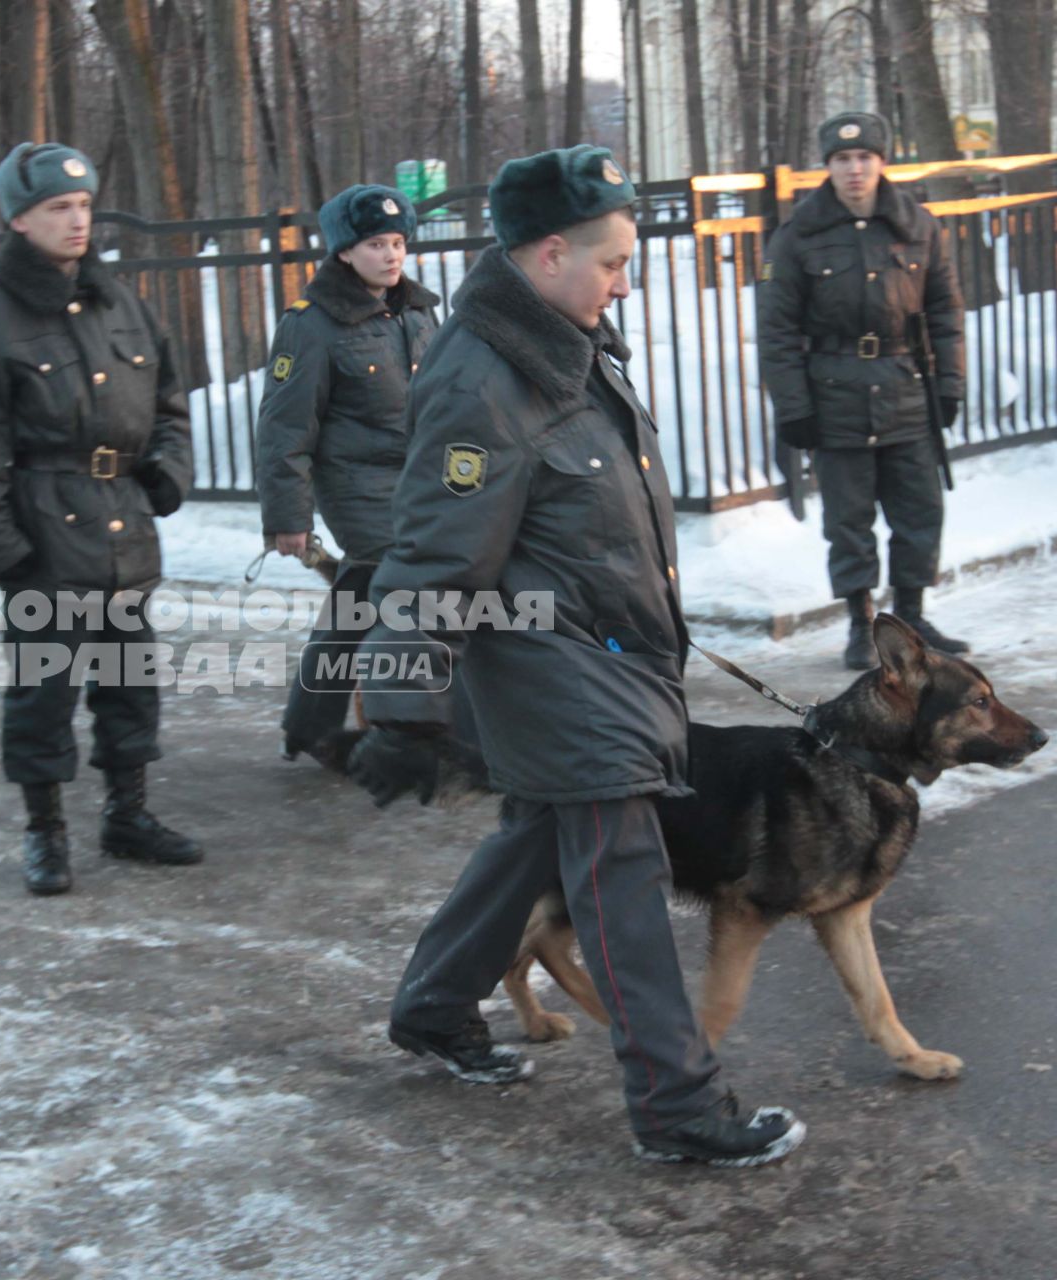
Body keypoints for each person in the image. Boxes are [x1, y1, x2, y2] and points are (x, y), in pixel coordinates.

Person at [344, 144, 805, 1167]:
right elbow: (432, 552)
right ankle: (680, 1106)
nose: (625, 279)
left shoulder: (570, 342)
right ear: (549, 252)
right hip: (554, 672)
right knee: (620, 885)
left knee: (535, 840)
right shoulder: (482, 381)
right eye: (610, 261)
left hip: (607, 657)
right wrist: (404, 701)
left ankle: (431, 1003)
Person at [0, 142, 201, 897]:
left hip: (124, 527)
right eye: (58, 208)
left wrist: (167, 474)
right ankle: (45, 831)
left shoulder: (122, 303)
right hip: (43, 535)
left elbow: (170, 405)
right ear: (20, 219)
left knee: (130, 681)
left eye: (84, 206)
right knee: (42, 693)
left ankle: (129, 815)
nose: (77, 220)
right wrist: (7, 557)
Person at [758, 110, 968, 670]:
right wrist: (794, 409)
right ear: (826, 166)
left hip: (906, 386)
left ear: (882, 161)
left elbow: (947, 311)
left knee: (918, 509)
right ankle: (861, 623)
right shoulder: (797, 236)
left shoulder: (918, 226)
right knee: (849, 521)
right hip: (834, 394)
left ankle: (912, 615)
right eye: (842, 159)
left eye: (864, 158)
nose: (854, 169)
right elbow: (776, 331)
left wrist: (949, 384)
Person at [256, 184, 440, 771]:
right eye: (375, 244)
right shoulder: (311, 324)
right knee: (402, 597)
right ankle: (401, 730)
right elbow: (285, 426)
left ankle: (309, 726)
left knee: (358, 604)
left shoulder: (418, 309)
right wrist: (289, 518)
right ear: (342, 252)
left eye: (397, 243)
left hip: (425, 484)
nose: (391, 256)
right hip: (359, 489)